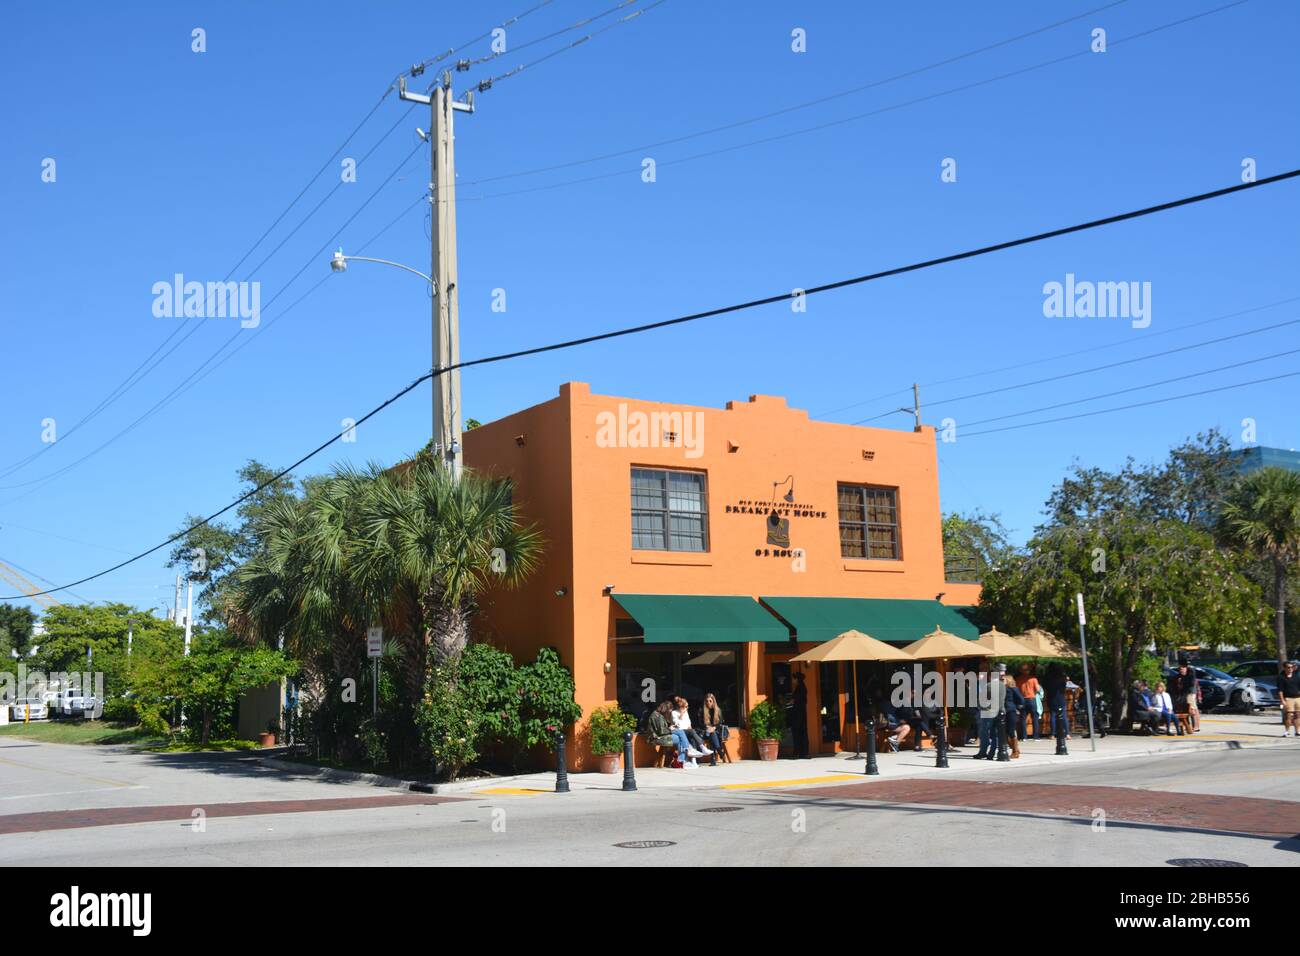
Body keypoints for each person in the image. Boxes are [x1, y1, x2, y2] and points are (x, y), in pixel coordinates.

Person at [646, 700, 699, 768]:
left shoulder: (659, 715)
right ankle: (685, 754)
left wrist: (670, 728)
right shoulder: (656, 716)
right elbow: (661, 731)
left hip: (661, 735)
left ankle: (683, 759)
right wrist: (670, 729)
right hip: (656, 738)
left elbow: (661, 729)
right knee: (679, 735)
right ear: (666, 709)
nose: (669, 713)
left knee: (679, 734)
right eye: (669, 711)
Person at [1168, 659, 1200, 733]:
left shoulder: (1191, 674)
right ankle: (1189, 725)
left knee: (1192, 709)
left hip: (1190, 693)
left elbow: (1191, 685)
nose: (1181, 670)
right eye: (1180, 669)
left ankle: (1195, 726)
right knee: (1187, 709)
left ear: (1185, 667)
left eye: (1182, 668)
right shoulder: (1179, 676)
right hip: (1184, 694)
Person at [1042, 662, 1068, 740]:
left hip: (1052, 698)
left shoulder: (1048, 678)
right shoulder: (1062, 678)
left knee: (1053, 715)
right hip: (1061, 698)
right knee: (1063, 716)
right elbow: (1064, 688)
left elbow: (1045, 687)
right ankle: (1067, 734)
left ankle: (1052, 734)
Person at [1015, 664, 1042, 740]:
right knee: (1035, 718)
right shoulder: (1033, 679)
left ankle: (1024, 737)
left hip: (1022, 699)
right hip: (1031, 699)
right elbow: (1037, 689)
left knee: (1023, 719)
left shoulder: (1018, 679)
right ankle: (1036, 736)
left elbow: (1017, 689)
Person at [700, 692, 727, 765]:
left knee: (713, 734)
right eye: (707, 701)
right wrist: (707, 727)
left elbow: (721, 723)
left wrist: (714, 727)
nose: (708, 702)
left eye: (710, 701)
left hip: (717, 732)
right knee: (712, 734)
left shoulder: (718, 710)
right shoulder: (702, 710)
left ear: (713, 701)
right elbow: (699, 723)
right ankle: (719, 751)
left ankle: (713, 759)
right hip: (706, 732)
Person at [1002, 673, 1024, 758]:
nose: (1002, 681)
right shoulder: (1002, 689)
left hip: (1011, 711)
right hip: (1003, 711)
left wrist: (1017, 708)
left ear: (1008, 680)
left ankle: (1015, 752)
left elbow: (1021, 700)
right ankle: (1016, 749)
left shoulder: (1013, 689)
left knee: (1011, 731)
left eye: (1003, 680)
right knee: (1005, 732)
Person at [790, 671, 810, 758]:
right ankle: (804, 752)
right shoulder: (802, 687)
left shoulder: (799, 688)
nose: (792, 680)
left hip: (798, 712)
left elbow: (794, 700)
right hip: (802, 712)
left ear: (797, 679)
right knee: (803, 731)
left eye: (793, 678)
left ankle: (797, 752)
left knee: (797, 731)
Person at [1279, 661, 1300, 737]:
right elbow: (1280, 690)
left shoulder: (1296, 676)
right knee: (1289, 715)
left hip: (1297, 698)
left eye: (1291, 667)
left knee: (1297, 715)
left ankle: (1297, 731)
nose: (1290, 669)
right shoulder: (1281, 677)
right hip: (1288, 698)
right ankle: (1286, 731)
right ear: (1284, 668)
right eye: (1288, 667)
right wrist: (1282, 700)